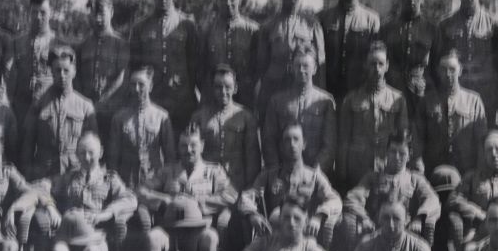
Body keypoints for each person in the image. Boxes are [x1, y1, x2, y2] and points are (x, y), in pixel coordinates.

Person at [134, 124, 238, 251]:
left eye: (193, 145)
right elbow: (141, 190)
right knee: (153, 238)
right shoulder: (167, 171)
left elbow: (231, 195)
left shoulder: (213, 171)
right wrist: (163, 198)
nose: (188, 151)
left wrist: (201, 202)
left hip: (198, 232)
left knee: (212, 238)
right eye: (183, 146)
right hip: (170, 231)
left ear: (202, 146)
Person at [29, 131, 138, 251]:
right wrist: (51, 208)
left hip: (96, 236)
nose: (86, 158)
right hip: (67, 233)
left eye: (91, 153)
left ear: (101, 152)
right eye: (81, 153)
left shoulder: (109, 178)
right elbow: (39, 187)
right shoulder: (69, 177)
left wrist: (106, 214)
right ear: (76, 155)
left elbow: (130, 199)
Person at [335, 132, 441, 251]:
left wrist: (419, 218)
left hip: (406, 233)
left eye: (402, 153)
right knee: (349, 217)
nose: (397, 157)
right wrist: (364, 219)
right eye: (392, 151)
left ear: (409, 156)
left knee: (430, 218)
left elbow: (432, 199)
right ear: (386, 152)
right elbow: (352, 199)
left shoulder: (415, 179)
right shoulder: (373, 177)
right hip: (376, 231)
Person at [238, 123, 342, 250]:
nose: (292, 144)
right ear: (281, 146)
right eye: (287, 140)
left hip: (304, 234)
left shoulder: (313, 176)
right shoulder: (269, 175)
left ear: (304, 144)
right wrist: (252, 214)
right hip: (275, 233)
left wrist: (318, 216)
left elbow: (334, 200)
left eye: (296, 139)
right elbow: (246, 197)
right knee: (276, 215)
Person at [129, 0, 199, 132]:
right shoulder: (140, 27)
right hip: (152, 99)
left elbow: (195, 65)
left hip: (182, 100)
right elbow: (134, 65)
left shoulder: (187, 25)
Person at [336, 41, 410, 191]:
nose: (376, 69)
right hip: (358, 165)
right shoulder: (351, 99)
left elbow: (403, 139)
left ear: (387, 66)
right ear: (365, 65)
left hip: (386, 165)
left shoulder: (398, 99)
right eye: (372, 64)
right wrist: (342, 172)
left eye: (381, 64)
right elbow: (343, 139)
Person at [254, 0, 326, 118]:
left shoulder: (312, 24)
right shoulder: (268, 26)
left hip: (302, 88)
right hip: (274, 89)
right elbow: (261, 65)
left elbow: (320, 64)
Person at [432, 0, 498, 117]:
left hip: (486, 93)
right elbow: (435, 62)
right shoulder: (445, 25)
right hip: (457, 91)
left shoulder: (495, 25)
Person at [18, 45, 97, 181]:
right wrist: (28, 173)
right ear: (52, 72)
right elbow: (28, 144)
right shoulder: (39, 103)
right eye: (57, 70)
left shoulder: (85, 106)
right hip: (44, 171)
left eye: (66, 70)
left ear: (74, 72)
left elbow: (93, 145)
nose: (62, 75)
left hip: (74, 171)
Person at [411, 48, 488, 180]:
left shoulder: (474, 100)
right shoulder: (427, 101)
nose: (448, 74)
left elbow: (481, 139)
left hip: (466, 168)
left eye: (452, 69)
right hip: (434, 167)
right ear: (438, 72)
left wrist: (480, 168)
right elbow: (418, 136)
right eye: (443, 69)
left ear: (460, 70)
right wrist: (418, 162)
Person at [262, 46, 337, 175]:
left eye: (306, 66)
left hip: (317, 174)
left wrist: (316, 174)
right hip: (283, 173)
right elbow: (269, 140)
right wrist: (276, 171)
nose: (301, 70)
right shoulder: (277, 101)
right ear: (291, 68)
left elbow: (329, 146)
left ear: (314, 69)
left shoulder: (326, 102)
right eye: (297, 66)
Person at [189, 64, 262, 196]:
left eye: (227, 87)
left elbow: (252, 158)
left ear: (235, 88)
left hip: (236, 182)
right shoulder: (199, 117)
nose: (223, 92)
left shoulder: (246, 116)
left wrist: (249, 188)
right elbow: (192, 153)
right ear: (212, 88)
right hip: (206, 182)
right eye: (218, 87)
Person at [108, 65, 176, 192]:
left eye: (141, 84)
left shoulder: (161, 116)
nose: (136, 89)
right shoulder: (119, 117)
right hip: (126, 180)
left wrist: (166, 181)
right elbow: (113, 156)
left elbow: (170, 156)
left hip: (154, 179)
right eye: (133, 85)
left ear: (150, 87)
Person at [319, 0, 382, 99]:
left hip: (359, 89)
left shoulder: (371, 19)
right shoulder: (323, 17)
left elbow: (375, 56)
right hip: (328, 89)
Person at [196, 0, 258, 105]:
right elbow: (199, 67)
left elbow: (258, 68)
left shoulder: (253, 30)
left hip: (244, 99)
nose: (228, 2)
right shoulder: (206, 29)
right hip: (213, 97)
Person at [379, 0, 439, 110]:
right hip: (391, 90)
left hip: (421, 92)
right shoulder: (386, 28)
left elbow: (436, 66)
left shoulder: (432, 29)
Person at [76, 0, 131, 133]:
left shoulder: (121, 44)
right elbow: (77, 78)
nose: (97, 19)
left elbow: (123, 78)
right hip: (87, 111)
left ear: (111, 12)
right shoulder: (83, 45)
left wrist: (104, 101)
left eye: (102, 13)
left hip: (114, 112)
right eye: (93, 14)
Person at [7, 0, 59, 126]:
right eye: (34, 12)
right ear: (28, 13)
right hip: (21, 107)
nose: (38, 17)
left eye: (43, 12)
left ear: (51, 13)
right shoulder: (17, 42)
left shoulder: (59, 42)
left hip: (49, 105)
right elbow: (10, 75)